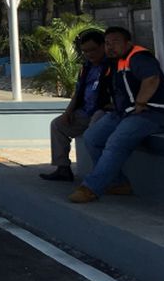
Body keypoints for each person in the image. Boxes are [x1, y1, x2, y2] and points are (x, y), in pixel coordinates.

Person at [69, 26, 164, 203]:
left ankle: (91, 188)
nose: (110, 47)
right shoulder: (115, 63)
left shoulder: (139, 57)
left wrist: (140, 103)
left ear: (128, 43)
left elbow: (151, 79)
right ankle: (118, 183)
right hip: (124, 113)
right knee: (92, 137)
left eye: (116, 42)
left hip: (152, 113)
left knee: (115, 141)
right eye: (107, 43)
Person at [39, 30, 112, 182]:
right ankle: (63, 168)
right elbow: (78, 93)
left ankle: (100, 174)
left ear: (103, 46)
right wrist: (68, 113)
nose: (90, 54)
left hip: (104, 112)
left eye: (93, 50)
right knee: (57, 124)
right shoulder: (86, 68)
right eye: (85, 51)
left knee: (93, 134)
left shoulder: (113, 66)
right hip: (84, 113)